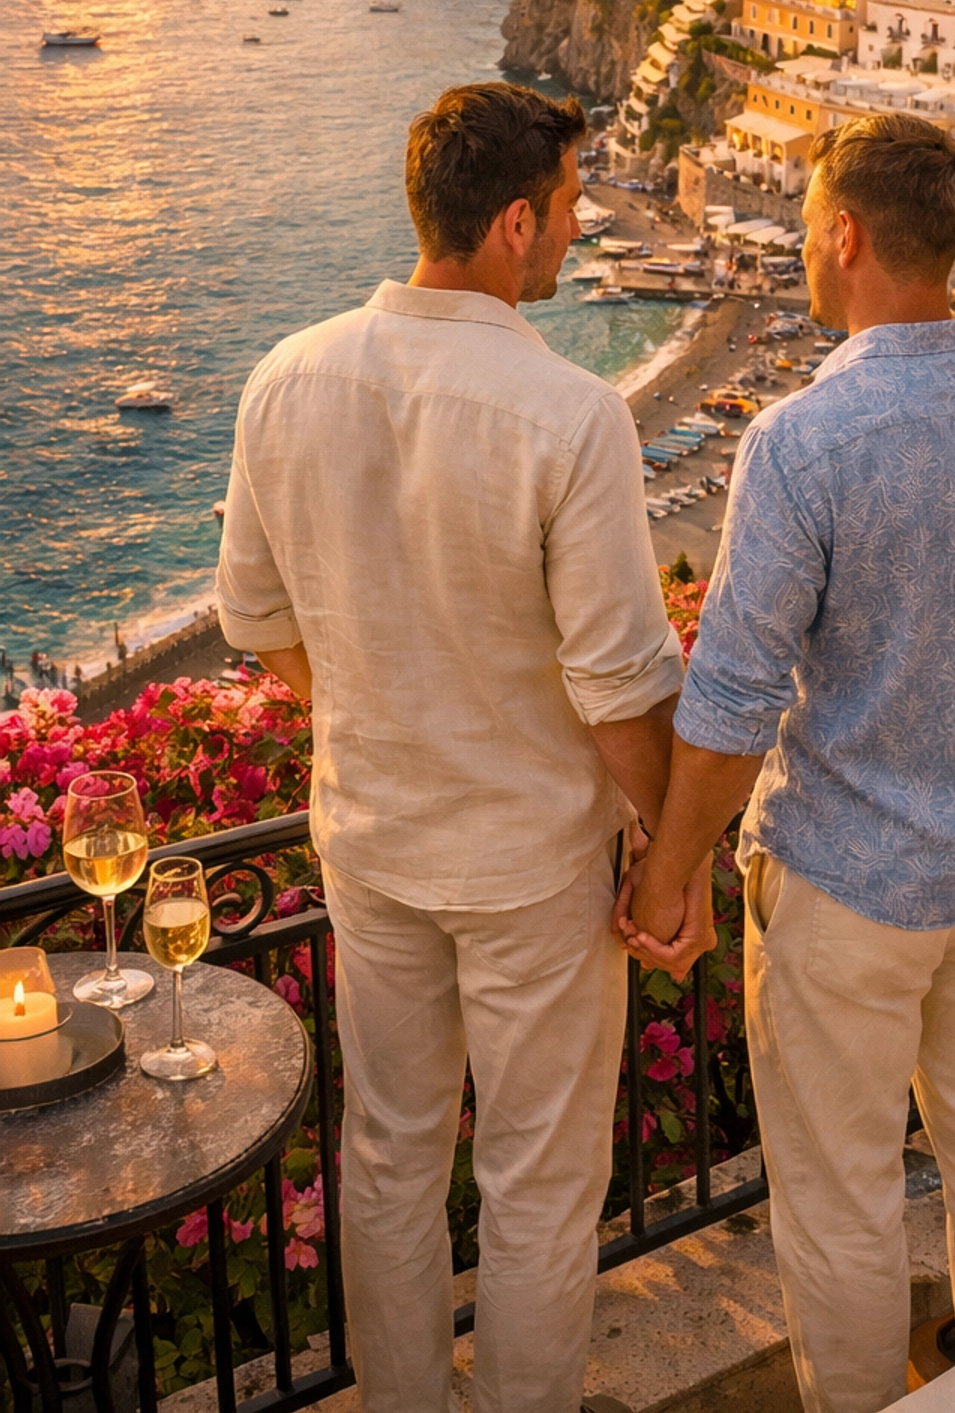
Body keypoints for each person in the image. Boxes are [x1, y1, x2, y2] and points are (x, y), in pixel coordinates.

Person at [620, 112, 955, 1413]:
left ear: (845, 238)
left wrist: (670, 878)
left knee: (841, 1202)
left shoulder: (804, 443)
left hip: (843, 889)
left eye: (803, 229)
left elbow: (731, 693)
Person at [217, 82, 706, 1413]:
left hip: (371, 838)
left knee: (383, 1158)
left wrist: (380, 700)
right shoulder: (568, 415)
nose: (573, 235)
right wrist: (671, 852)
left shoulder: (285, 376)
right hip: (533, 860)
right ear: (510, 224)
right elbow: (617, 684)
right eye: (565, 213)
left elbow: (255, 623)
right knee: (541, 1184)